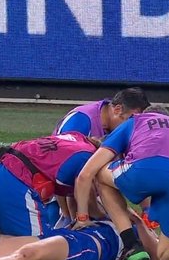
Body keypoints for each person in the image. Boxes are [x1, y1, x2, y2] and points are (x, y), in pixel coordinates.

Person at [72, 110, 169, 260]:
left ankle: (130, 244)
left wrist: (82, 218)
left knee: (99, 172)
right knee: (163, 259)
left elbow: (86, 174)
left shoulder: (136, 121)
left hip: (146, 167)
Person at [52, 87, 150, 227]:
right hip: (61, 194)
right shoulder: (81, 121)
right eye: (130, 120)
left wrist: (147, 209)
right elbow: (64, 174)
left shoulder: (120, 129)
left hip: (88, 187)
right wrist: (71, 215)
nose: (133, 126)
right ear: (117, 110)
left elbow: (131, 168)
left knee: (127, 221)